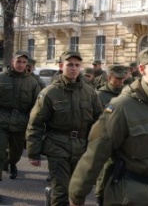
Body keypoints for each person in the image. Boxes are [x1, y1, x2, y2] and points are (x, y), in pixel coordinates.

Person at [68, 47, 148, 206]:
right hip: (128, 194)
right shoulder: (122, 106)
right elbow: (96, 153)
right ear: (142, 69)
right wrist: (77, 194)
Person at [26, 50, 103, 206]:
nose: (74, 68)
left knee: (77, 192)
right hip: (57, 146)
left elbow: (99, 121)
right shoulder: (50, 93)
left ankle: (51, 193)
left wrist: (97, 148)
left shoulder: (89, 93)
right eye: (70, 65)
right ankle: (55, 195)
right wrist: (33, 153)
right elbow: (36, 123)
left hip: (82, 147)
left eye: (77, 65)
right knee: (62, 193)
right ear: (61, 66)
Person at [0, 51, 40, 181]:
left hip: (21, 123)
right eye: (18, 61)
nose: (21, 65)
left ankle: (11, 163)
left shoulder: (32, 82)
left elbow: (37, 105)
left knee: (16, 154)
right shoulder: (2, 78)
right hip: (1, 120)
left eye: (24, 62)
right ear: (12, 62)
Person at [94, 64, 126, 205]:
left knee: (121, 173)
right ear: (109, 78)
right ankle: (100, 198)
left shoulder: (125, 93)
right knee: (105, 171)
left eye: (122, 79)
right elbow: (94, 118)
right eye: (117, 79)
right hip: (105, 139)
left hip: (123, 141)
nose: (120, 82)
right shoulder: (100, 95)